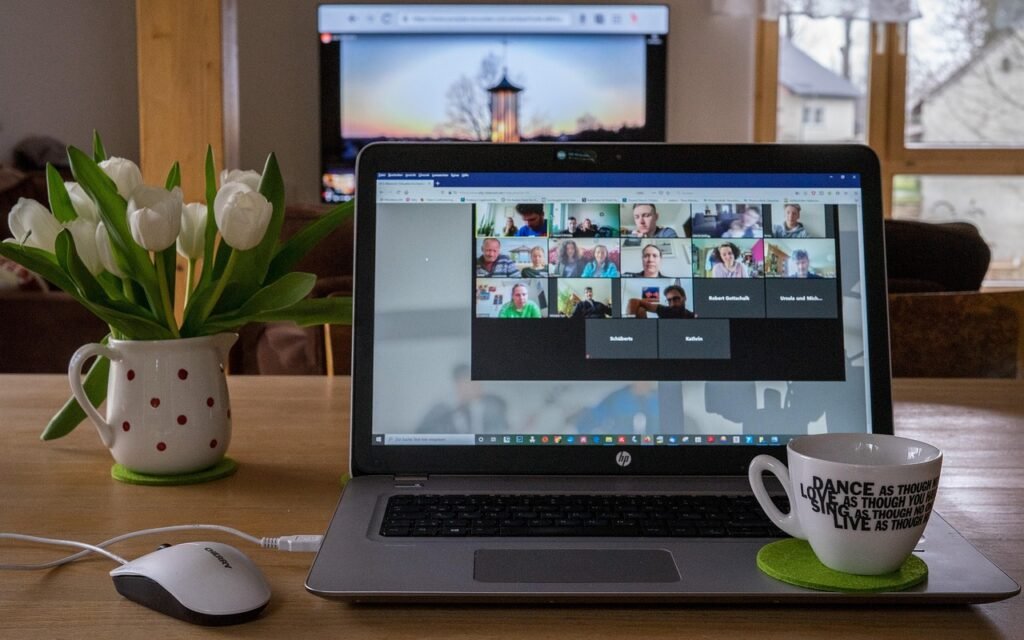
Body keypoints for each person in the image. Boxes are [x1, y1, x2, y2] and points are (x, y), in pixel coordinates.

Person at [415, 364, 509, 434]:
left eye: (476, 382)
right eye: (464, 383)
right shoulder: (441, 410)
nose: (474, 386)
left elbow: (503, 431)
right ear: (457, 385)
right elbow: (421, 432)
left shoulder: (494, 406)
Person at [628, 284, 695, 318]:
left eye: (676, 299)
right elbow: (632, 301)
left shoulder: (692, 316)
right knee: (641, 310)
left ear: (684, 298)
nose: (672, 304)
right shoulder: (666, 310)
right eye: (669, 300)